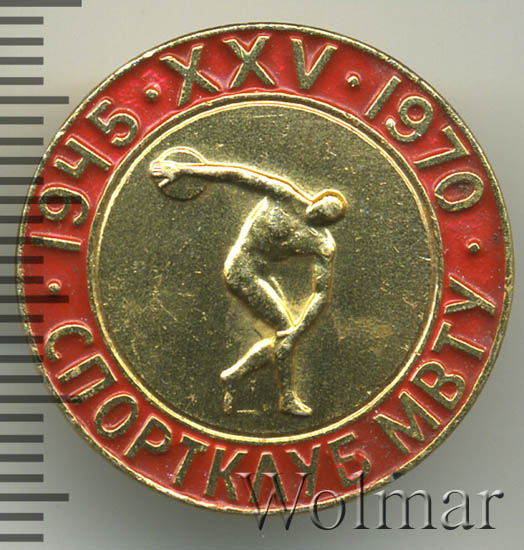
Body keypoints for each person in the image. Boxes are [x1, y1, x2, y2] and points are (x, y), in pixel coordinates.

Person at [150, 149, 347, 416]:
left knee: (285, 336)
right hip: (241, 270)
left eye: (325, 216)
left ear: (329, 222)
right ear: (316, 199)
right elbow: (237, 175)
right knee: (284, 332)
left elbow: (321, 293)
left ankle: (235, 376)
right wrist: (183, 170)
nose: (317, 213)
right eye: (319, 207)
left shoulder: (322, 244)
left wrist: (300, 330)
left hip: (261, 276)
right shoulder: (285, 195)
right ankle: (284, 397)